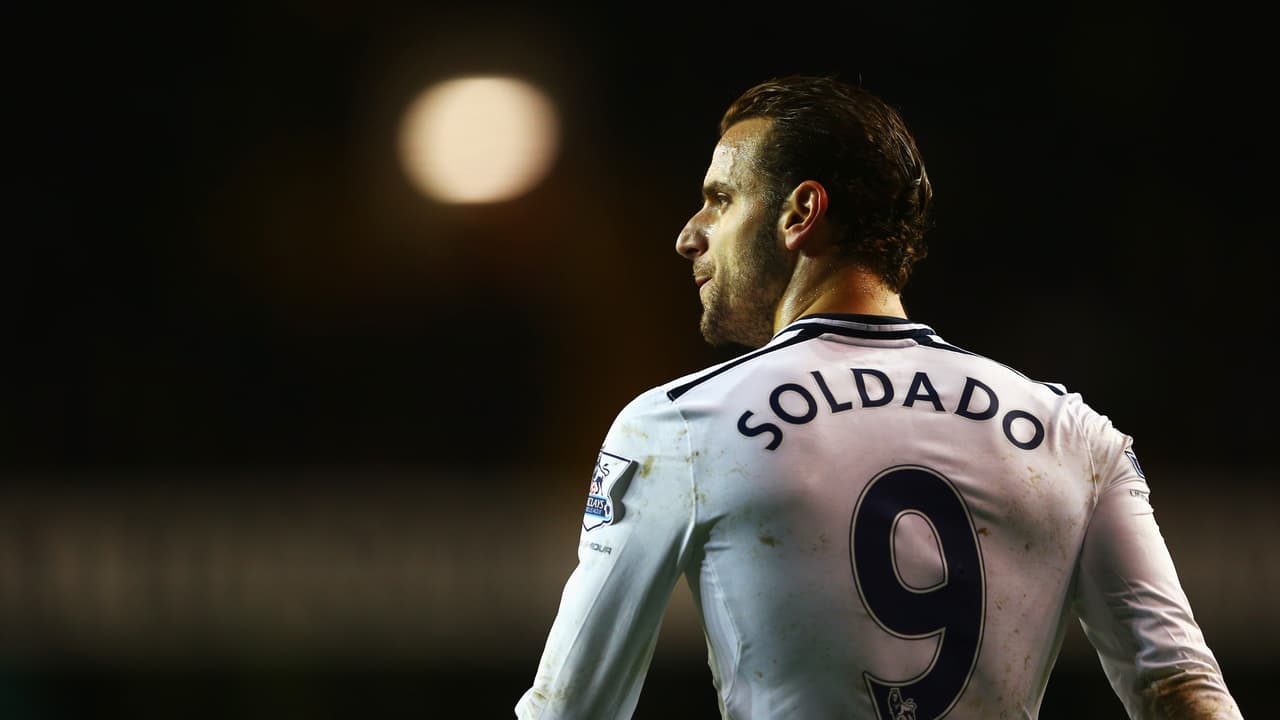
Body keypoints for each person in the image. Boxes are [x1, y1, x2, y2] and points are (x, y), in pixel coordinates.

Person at [515, 74, 1242, 719]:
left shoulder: (678, 425)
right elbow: (1183, 690)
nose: (688, 236)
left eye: (720, 200)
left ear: (800, 213)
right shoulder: (1073, 433)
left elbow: (570, 706)